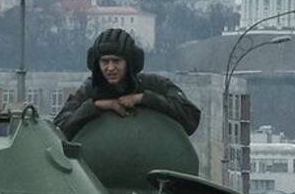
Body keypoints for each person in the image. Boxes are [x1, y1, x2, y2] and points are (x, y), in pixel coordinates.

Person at [54, 28, 201, 140]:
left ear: (129, 63)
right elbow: (58, 129)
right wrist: (97, 106)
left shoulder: (154, 85)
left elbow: (191, 117)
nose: (110, 68)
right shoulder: (89, 90)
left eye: (116, 61)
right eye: (105, 62)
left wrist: (144, 99)